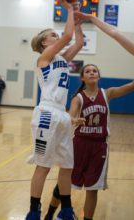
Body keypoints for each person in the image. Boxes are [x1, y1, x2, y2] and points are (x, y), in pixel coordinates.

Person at [44, 64, 134, 220]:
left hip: (99, 147)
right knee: (64, 183)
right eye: (88, 71)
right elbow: (70, 115)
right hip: (78, 145)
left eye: (95, 71)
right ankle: (49, 214)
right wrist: (73, 120)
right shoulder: (78, 97)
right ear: (82, 78)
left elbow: (130, 86)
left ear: (98, 76)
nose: (92, 73)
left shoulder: (107, 93)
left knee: (93, 189)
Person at [25, 0, 84, 220]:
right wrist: (69, 9)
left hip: (62, 114)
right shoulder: (44, 58)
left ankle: (66, 211)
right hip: (47, 113)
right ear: (44, 43)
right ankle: (33, 212)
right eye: (53, 35)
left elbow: (77, 42)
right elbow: (68, 37)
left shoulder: (61, 58)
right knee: (43, 166)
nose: (58, 37)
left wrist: (77, 21)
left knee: (67, 165)